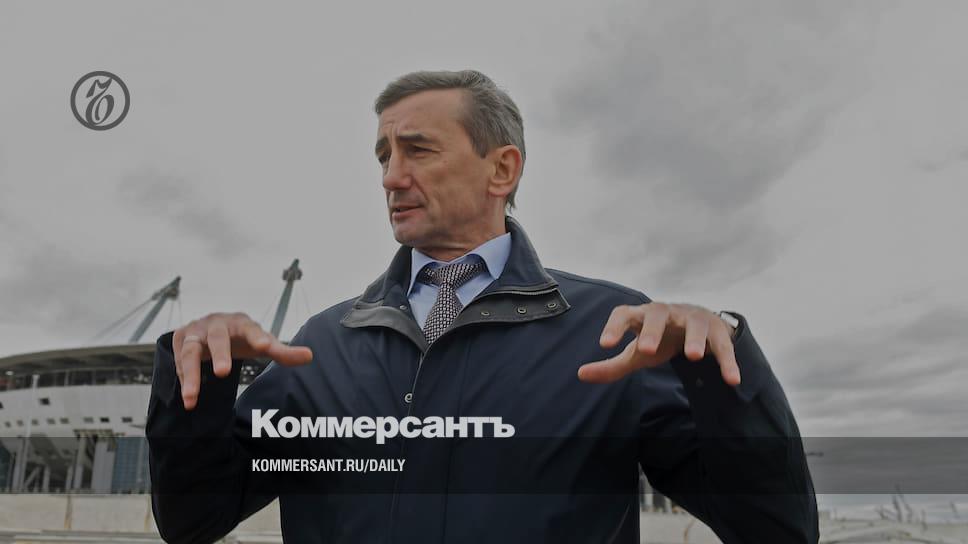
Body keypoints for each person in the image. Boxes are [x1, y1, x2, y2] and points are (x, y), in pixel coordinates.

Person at [147, 70, 818, 543]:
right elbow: (192, 520)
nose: (390, 176)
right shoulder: (320, 344)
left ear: (502, 169)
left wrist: (719, 373)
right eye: (383, 154)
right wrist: (198, 382)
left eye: (417, 150)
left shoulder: (612, 331)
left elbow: (775, 529)